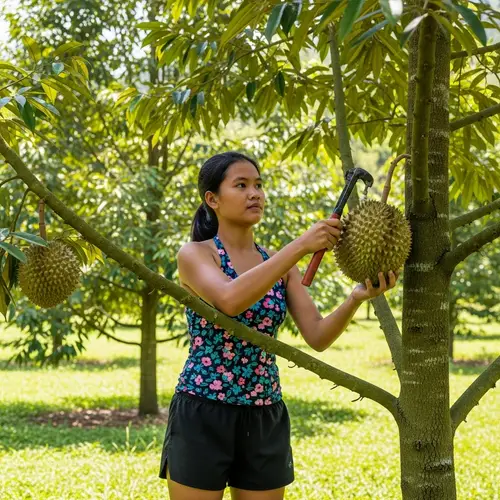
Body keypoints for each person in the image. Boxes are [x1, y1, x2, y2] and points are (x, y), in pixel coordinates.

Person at [159, 151, 399, 500]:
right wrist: (301, 245)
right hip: (203, 408)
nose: (254, 193)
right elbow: (229, 300)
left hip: (264, 410)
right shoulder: (196, 254)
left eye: (258, 185)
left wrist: (354, 299)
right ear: (212, 199)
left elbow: (316, 336)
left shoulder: (281, 265)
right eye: (240, 185)